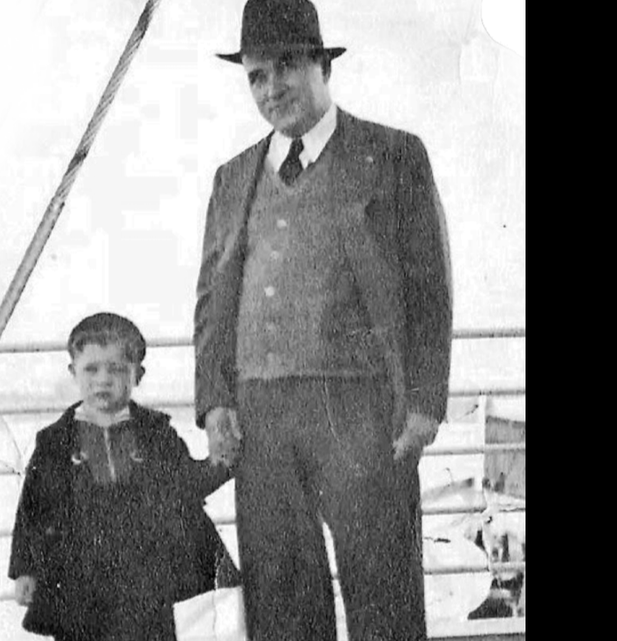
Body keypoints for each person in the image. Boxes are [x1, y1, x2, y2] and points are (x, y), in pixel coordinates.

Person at [194, 1, 453, 639]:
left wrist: (425, 402)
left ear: (321, 65)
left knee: (382, 595)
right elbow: (211, 300)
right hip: (261, 418)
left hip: (360, 409)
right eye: (256, 75)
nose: (271, 87)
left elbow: (429, 288)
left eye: (285, 67)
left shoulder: (392, 155)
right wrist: (214, 400)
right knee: (281, 604)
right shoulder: (233, 177)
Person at [9, 312, 236, 641]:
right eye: (91, 369)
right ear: (73, 372)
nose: (103, 379)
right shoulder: (54, 443)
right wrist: (25, 570)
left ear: (138, 375)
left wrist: (222, 465)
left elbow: (184, 484)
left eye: (116, 369)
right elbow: (33, 507)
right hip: (78, 579)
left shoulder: (156, 434)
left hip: (143, 578)